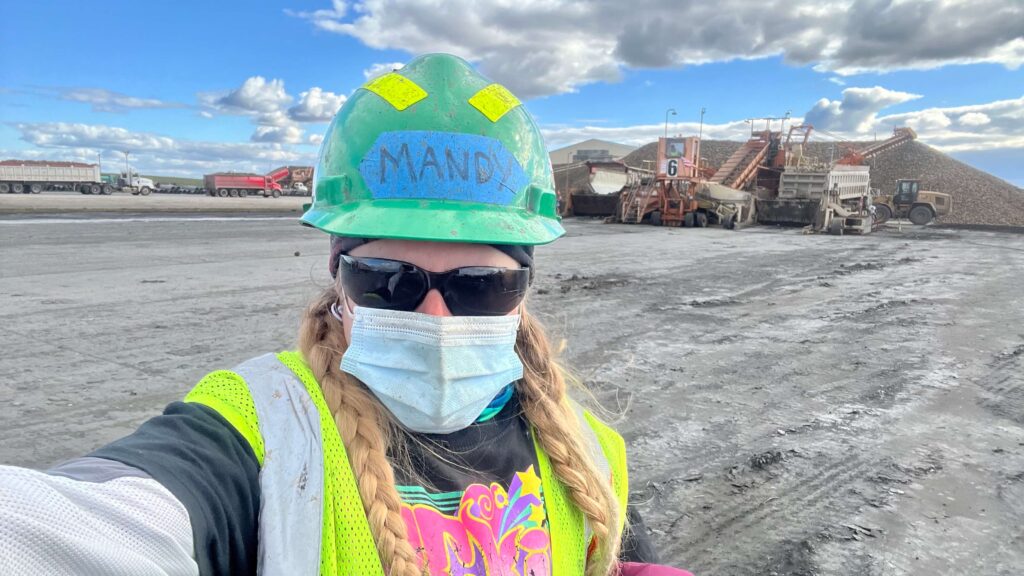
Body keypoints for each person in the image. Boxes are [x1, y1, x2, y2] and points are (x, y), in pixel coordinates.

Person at [0, 53, 690, 576]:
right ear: (340, 280)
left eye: (481, 285)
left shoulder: (589, 450)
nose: (436, 315)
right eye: (388, 280)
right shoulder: (264, 431)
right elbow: (92, 521)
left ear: (524, 290)